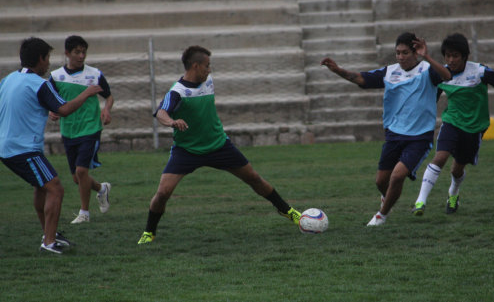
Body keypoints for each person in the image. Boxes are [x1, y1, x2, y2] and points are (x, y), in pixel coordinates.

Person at [137, 45, 301, 244]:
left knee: (254, 178)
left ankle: (288, 211)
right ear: (196, 66)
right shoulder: (177, 92)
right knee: (163, 193)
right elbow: (161, 113)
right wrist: (172, 122)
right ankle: (149, 232)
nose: (210, 69)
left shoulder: (208, 81)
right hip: (187, 151)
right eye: (207, 66)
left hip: (218, 145)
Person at [321, 32, 451, 226]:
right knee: (381, 182)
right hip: (394, 134)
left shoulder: (428, 70)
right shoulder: (390, 72)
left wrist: (428, 57)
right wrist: (338, 70)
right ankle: (388, 198)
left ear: (415, 52)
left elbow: (447, 75)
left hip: (419, 137)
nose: (400, 57)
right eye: (397, 53)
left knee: (397, 176)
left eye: (405, 52)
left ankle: (381, 215)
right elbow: (361, 79)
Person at [0, 37, 102, 254]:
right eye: (48, 58)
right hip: (22, 148)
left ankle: (51, 234)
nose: (48, 64)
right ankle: (48, 242)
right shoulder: (38, 83)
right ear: (40, 59)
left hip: (9, 146)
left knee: (43, 187)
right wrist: (86, 93)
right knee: (55, 187)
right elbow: (64, 109)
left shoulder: (9, 79)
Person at [412, 33, 494, 215]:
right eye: (448, 56)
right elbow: (432, 99)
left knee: (457, 169)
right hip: (451, 123)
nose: (451, 60)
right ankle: (420, 202)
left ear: (464, 56)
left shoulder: (479, 72)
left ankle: (453, 193)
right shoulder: (442, 74)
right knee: (439, 158)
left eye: (455, 56)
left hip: (474, 128)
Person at [49, 35, 114, 224]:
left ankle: (84, 213)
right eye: (77, 52)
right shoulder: (55, 77)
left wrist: (106, 110)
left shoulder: (94, 75)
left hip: (90, 128)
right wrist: (53, 112)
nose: (81, 56)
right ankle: (102, 189)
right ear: (67, 53)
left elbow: (109, 97)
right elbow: (51, 101)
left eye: (84, 52)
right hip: (69, 130)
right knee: (78, 178)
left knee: (81, 172)